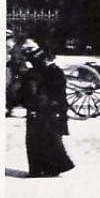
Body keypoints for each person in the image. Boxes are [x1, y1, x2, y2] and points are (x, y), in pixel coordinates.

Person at [23, 47, 74, 179]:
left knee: (48, 140)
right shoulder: (40, 72)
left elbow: (57, 93)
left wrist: (48, 105)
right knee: (39, 140)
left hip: (49, 110)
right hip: (42, 110)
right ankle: (41, 169)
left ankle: (51, 168)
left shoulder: (54, 72)